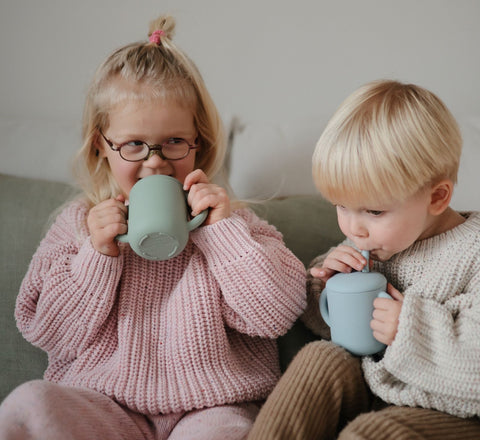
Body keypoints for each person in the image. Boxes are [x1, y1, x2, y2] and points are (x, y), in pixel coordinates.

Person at [0, 15, 307, 440]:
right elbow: (47, 331)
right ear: (100, 146)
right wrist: (97, 255)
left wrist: (222, 234)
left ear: (200, 143)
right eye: (133, 145)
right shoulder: (79, 225)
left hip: (212, 406)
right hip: (104, 405)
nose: (155, 161)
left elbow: (276, 314)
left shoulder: (231, 222)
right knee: (28, 405)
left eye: (174, 142)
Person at [247, 80, 480, 439]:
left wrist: (409, 329)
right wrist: (327, 285)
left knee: (375, 434)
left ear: (437, 197)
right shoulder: (374, 241)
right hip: (377, 389)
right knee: (317, 360)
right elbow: (333, 328)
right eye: (341, 206)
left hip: (453, 414)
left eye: (373, 210)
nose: (355, 228)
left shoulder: (474, 252)